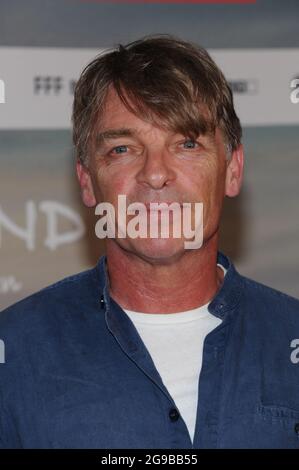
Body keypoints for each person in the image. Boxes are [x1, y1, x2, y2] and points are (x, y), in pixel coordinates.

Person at [1, 34, 299, 450]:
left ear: (232, 170)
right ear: (87, 182)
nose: (155, 173)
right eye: (123, 149)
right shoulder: (12, 353)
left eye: (187, 144)